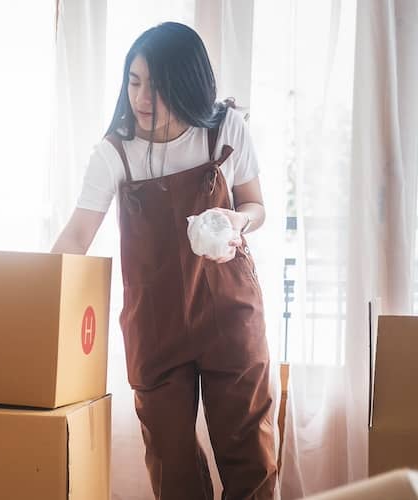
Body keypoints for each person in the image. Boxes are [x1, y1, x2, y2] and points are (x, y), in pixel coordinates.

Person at [52, 22, 276, 499]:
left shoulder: (225, 130)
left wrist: (236, 222)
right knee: (171, 465)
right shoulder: (116, 150)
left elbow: (255, 206)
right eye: (134, 81)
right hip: (155, 324)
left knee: (249, 457)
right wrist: (33, 294)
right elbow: (77, 232)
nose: (142, 97)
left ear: (188, 84)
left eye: (157, 84)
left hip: (229, 312)